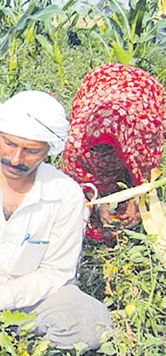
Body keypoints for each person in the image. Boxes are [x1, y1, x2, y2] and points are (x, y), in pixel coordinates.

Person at [0, 91, 112, 350]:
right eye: (9, 144)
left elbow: (56, 272)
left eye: (31, 151)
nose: (16, 159)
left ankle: (24, 350)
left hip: (29, 301)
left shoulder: (65, 195)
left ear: (49, 150)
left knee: (89, 325)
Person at [62, 63, 165, 242]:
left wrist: (135, 201)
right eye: (98, 150)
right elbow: (75, 178)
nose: (104, 156)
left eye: (111, 150)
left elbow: (144, 172)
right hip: (101, 82)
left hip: (138, 89)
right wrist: (97, 202)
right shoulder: (76, 140)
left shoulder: (143, 132)